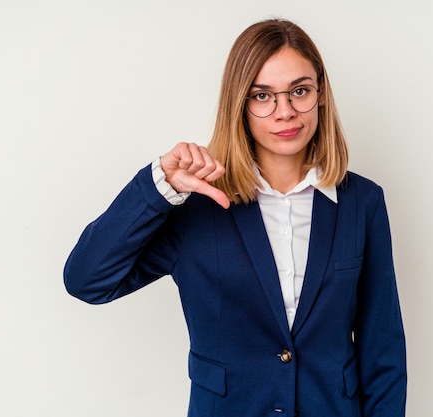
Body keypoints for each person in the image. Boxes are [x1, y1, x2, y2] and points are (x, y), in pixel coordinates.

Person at [64, 18, 406, 417]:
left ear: (321, 94)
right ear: (239, 103)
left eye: (299, 91)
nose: (285, 112)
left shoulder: (362, 202)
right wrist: (159, 187)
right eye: (263, 96)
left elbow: (381, 348)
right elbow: (87, 281)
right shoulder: (193, 205)